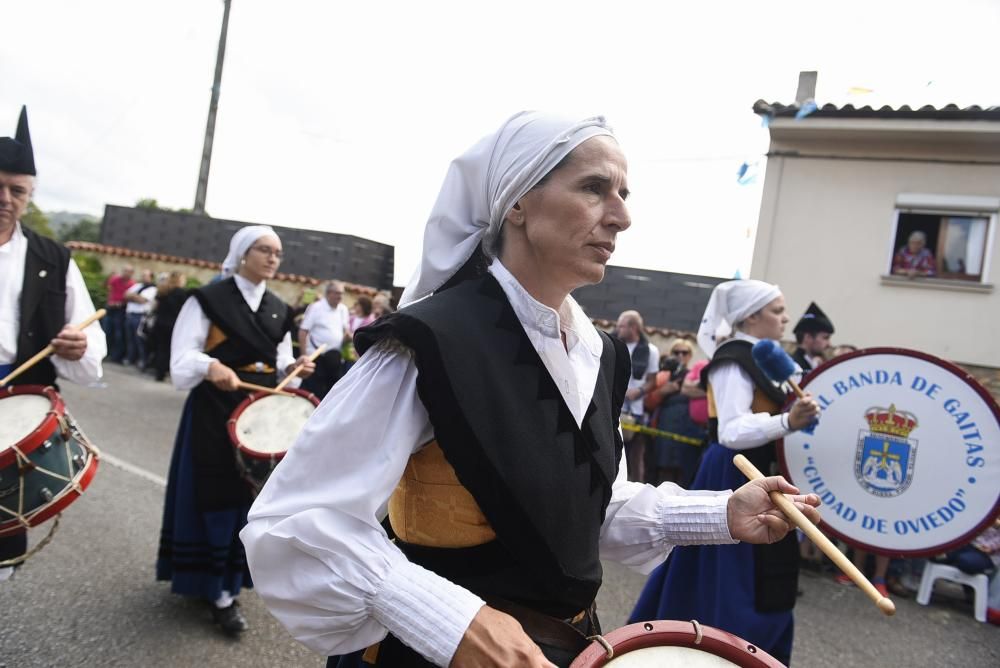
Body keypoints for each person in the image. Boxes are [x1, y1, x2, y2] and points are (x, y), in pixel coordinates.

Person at [241, 112, 820, 668]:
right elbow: (296, 520)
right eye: (595, 188)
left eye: (624, 193)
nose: (621, 216)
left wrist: (721, 511)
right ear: (516, 200)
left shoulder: (599, 353)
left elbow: (583, 508)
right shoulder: (431, 340)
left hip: (567, 647)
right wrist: (454, 622)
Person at [630, 279, 822, 665]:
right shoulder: (733, 359)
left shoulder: (768, 357)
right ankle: (720, 650)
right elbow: (732, 431)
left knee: (766, 574)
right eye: (776, 310)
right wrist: (786, 421)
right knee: (730, 577)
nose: (785, 318)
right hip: (736, 471)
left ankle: (758, 651)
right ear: (750, 316)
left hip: (765, 469)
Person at [155, 226, 314, 635]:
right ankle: (212, 588)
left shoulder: (280, 308)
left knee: (249, 496)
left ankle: (230, 582)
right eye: (264, 250)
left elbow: (280, 367)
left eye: (278, 252)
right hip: (212, 407)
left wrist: (294, 369)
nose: (273, 258)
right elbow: (183, 355)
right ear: (243, 254)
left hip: (257, 413)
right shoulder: (208, 299)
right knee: (216, 491)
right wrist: (210, 365)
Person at [0, 106, 106, 580]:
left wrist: (79, 348)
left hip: (15, 410)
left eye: (17, 191)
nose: (5, 198)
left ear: (29, 195)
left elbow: (89, 340)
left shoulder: (53, 258)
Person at [650, 340, 705, 487]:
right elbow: (647, 403)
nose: (680, 355)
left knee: (686, 472)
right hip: (665, 426)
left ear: (690, 356)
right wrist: (663, 391)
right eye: (676, 352)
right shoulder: (662, 376)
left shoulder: (695, 377)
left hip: (689, 429)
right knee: (664, 470)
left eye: (684, 352)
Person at [615, 309, 659, 482]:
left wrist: (638, 391)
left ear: (633, 328)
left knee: (635, 456)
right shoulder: (613, 343)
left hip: (637, 411)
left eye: (621, 326)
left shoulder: (651, 350)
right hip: (614, 406)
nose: (617, 329)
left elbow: (653, 381)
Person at [299, 281, 351, 398]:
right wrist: (304, 355)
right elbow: (303, 331)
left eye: (342, 293)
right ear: (328, 293)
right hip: (316, 356)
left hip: (334, 357)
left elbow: (345, 330)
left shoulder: (343, 309)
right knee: (314, 391)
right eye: (337, 293)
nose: (340, 296)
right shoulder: (316, 307)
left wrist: (348, 337)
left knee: (331, 392)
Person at [150, 271, 188, 382]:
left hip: (160, 323)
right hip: (172, 325)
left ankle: (159, 372)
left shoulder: (163, 290)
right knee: (170, 350)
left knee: (161, 348)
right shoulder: (181, 293)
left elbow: (155, 306)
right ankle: (166, 371)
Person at [123, 269, 157, 369]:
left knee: (140, 340)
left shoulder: (152, 289)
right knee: (130, 339)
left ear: (151, 277)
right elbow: (125, 295)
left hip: (140, 316)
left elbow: (142, 300)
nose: (143, 277)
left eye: (146, 276)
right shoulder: (138, 286)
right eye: (143, 275)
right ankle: (130, 358)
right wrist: (135, 297)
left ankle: (142, 360)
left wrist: (132, 296)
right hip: (130, 314)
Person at [791, 301, 834, 374]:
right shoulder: (793, 366)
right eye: (825, 338)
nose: (829, 344)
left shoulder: (819, 363)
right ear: (808, 337)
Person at [104, 264, 135, 362]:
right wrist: (110, 301)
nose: (125, 273)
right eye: (124, 270)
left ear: (131, 273)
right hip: (111, 308)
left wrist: (120, 303)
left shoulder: (132, 284)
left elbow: (130, 297)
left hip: (121, 310)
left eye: (128, 271)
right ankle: (105, 353)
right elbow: (109, 290)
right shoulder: (115, 279)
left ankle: (115, 356)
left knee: (118, 334)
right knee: (106, 331)